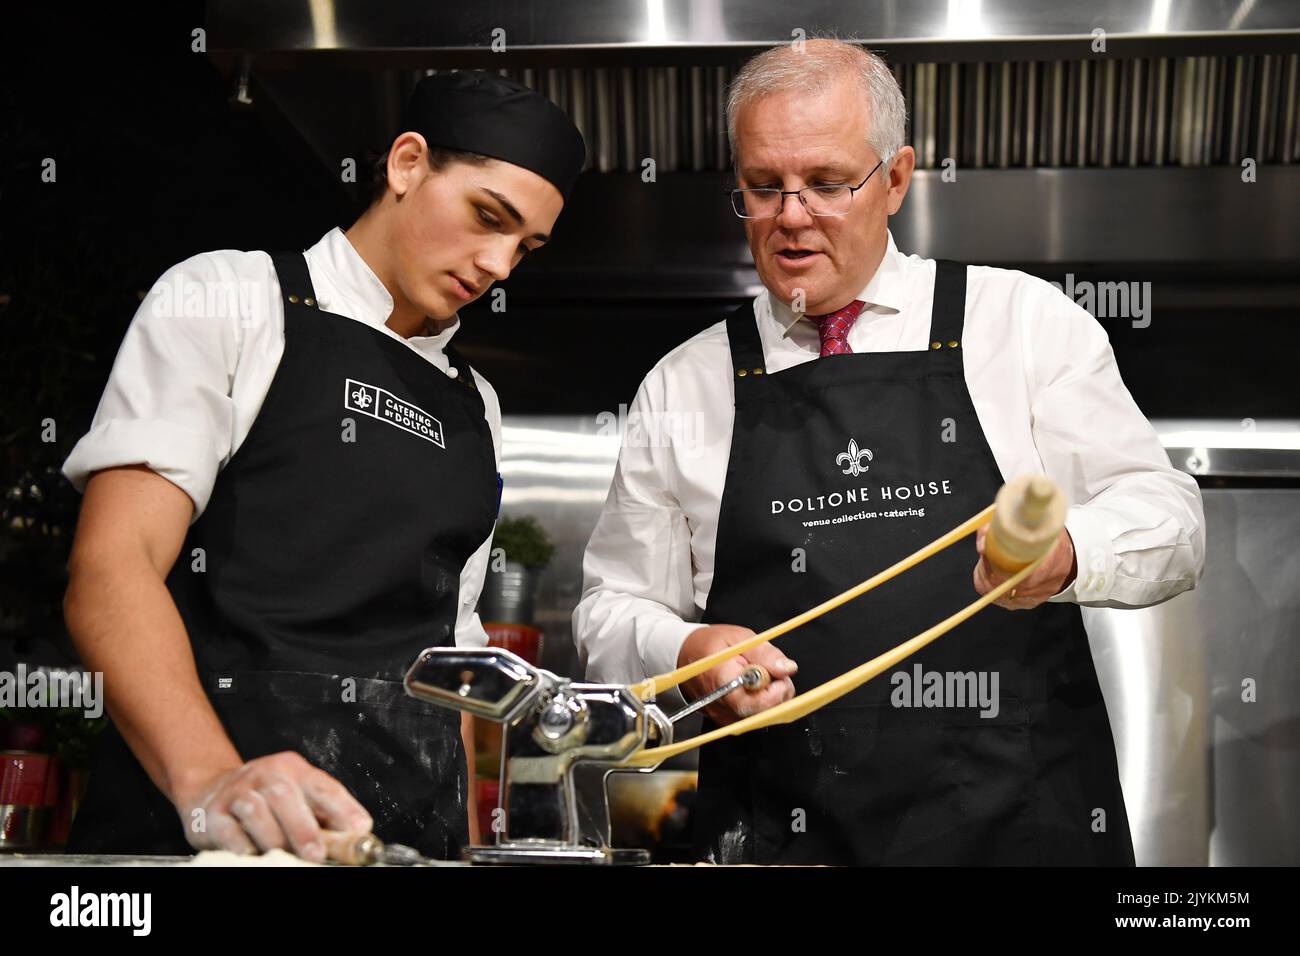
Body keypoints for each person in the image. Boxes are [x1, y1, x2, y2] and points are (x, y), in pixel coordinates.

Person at [573, 40, 1204, 865]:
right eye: (764, 188)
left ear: (896, 178)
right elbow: (608, 611)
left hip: (1019, 832)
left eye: (828, 184)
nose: (791, 216)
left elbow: (1172, 522)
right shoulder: (684, 385)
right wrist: (685, 652)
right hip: (779, 837)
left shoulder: (1019, 323)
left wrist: (1069, 554)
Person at [61, 71, 585, 861]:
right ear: (407, 164)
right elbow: (112, 567)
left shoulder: (478, 405)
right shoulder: (231, 298)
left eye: (526, 245)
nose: (500, 264)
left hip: (409, 846)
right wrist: (211, 784)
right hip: (216, 840)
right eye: (488, 217)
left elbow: (454, 666)